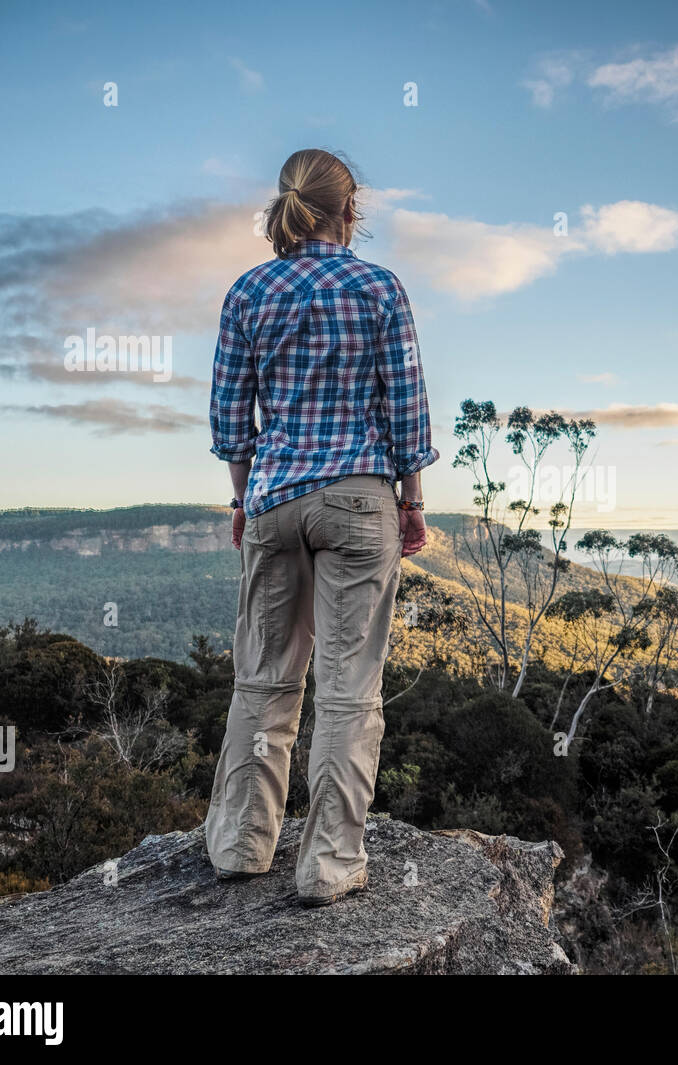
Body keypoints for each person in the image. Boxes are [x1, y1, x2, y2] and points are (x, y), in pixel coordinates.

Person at [204, 148, 438, 907]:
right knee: (348, 692)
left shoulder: (248, 291)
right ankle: (329, 865)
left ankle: (241, 844)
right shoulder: (378, 287)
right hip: (358, 498)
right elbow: (406, 407)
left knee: (263, 679)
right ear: (350, 212)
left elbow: (229, 420)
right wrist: (413, 500)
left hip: (273, 499)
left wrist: (246, 498)